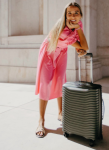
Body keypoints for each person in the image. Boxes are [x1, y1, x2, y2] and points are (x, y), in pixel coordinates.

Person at [35, 2, 89, 138]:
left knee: (60, 81)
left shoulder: (78, 26)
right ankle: (41, 120)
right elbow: (77, 44)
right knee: (46, 84)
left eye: (76, 13)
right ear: (65, 16)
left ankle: (61, 113)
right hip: (49, 51)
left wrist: (79, 32)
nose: (72, 16)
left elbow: (84, 47)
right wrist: (79, 48)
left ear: (81, 15)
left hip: (61, 52)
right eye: (69, 13)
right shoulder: (62, 27)